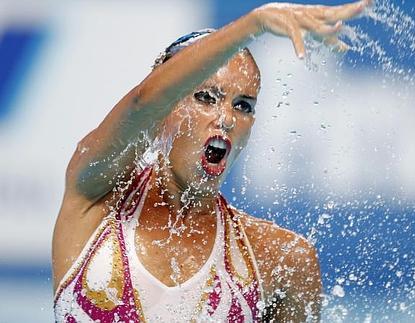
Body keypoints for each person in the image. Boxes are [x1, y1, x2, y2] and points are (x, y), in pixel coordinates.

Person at [52, 1, 370, 321]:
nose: (227, 118)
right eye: (206, 98)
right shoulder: (96, 200)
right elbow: (143, 101)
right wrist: (254, 25)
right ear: (164, 112)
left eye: (244, 105)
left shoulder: (281, 260)